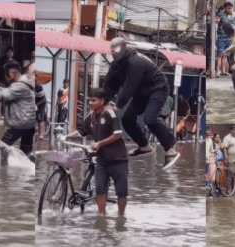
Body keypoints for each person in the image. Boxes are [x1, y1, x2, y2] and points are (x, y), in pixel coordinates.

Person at [103, 37, 180, 169]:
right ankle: (144, 146)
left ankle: (170, 150)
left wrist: (117, 105)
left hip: (157, 88)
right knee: (127, 118)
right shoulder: (116, 65)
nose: (115, 56)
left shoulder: (136, 62)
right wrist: (101, 101)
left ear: (124, 49)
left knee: (149, 118)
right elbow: (110, 85)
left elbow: (129, 87)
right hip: (141, 92)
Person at [63, 88, 128, 216]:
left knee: (121, 191)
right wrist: (66, 136)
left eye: (94, 100)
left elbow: (117, 134)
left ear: (102, 101)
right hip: (102, 161)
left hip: (118, 159)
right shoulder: (91, 116)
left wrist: (100, 143)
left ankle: (121, 216)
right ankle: (102, 216)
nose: (91, 103)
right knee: (100, 190)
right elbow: (82, 131)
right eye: (89, 100)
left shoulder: (111, 113)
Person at [0, 47, 17, 119]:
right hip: (2, 81)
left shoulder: (15, 62)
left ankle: (7, 113)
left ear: (13, 53)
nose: (9, 53)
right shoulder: (2, 61)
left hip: (11, 82)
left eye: (11, 52)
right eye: (8, 52)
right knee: (0, 97)